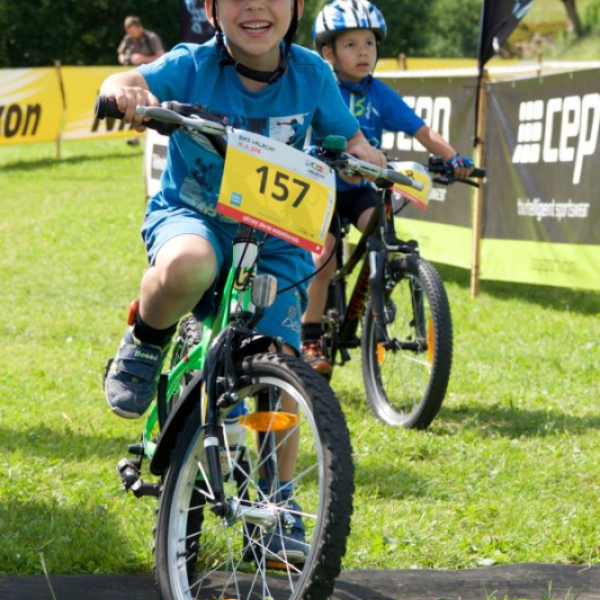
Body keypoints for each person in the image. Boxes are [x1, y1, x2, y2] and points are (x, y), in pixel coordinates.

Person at [101, 0, 386, 564]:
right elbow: (129, 76)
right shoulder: (193, 64)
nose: (256, 6)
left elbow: (350, 140)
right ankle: (147, 339)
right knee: (188, 265)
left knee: (280, 366)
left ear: (297, 7)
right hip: (195, 215)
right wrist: (126, 91)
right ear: (211, 10)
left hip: (276, 236)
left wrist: (369, 162)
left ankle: (278, 502)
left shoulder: (312, 73)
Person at [301, 0, 475, 377]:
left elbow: (422, 130)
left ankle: (380, 284)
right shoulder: (321, 88)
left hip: (361, 186)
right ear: (328, 52)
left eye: (370, 43)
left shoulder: (378, 93)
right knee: (326, 253)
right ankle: (310, 331)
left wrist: (455, 157)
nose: (363, 51)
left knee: (382, 226)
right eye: (351, 45)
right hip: (321, 188)